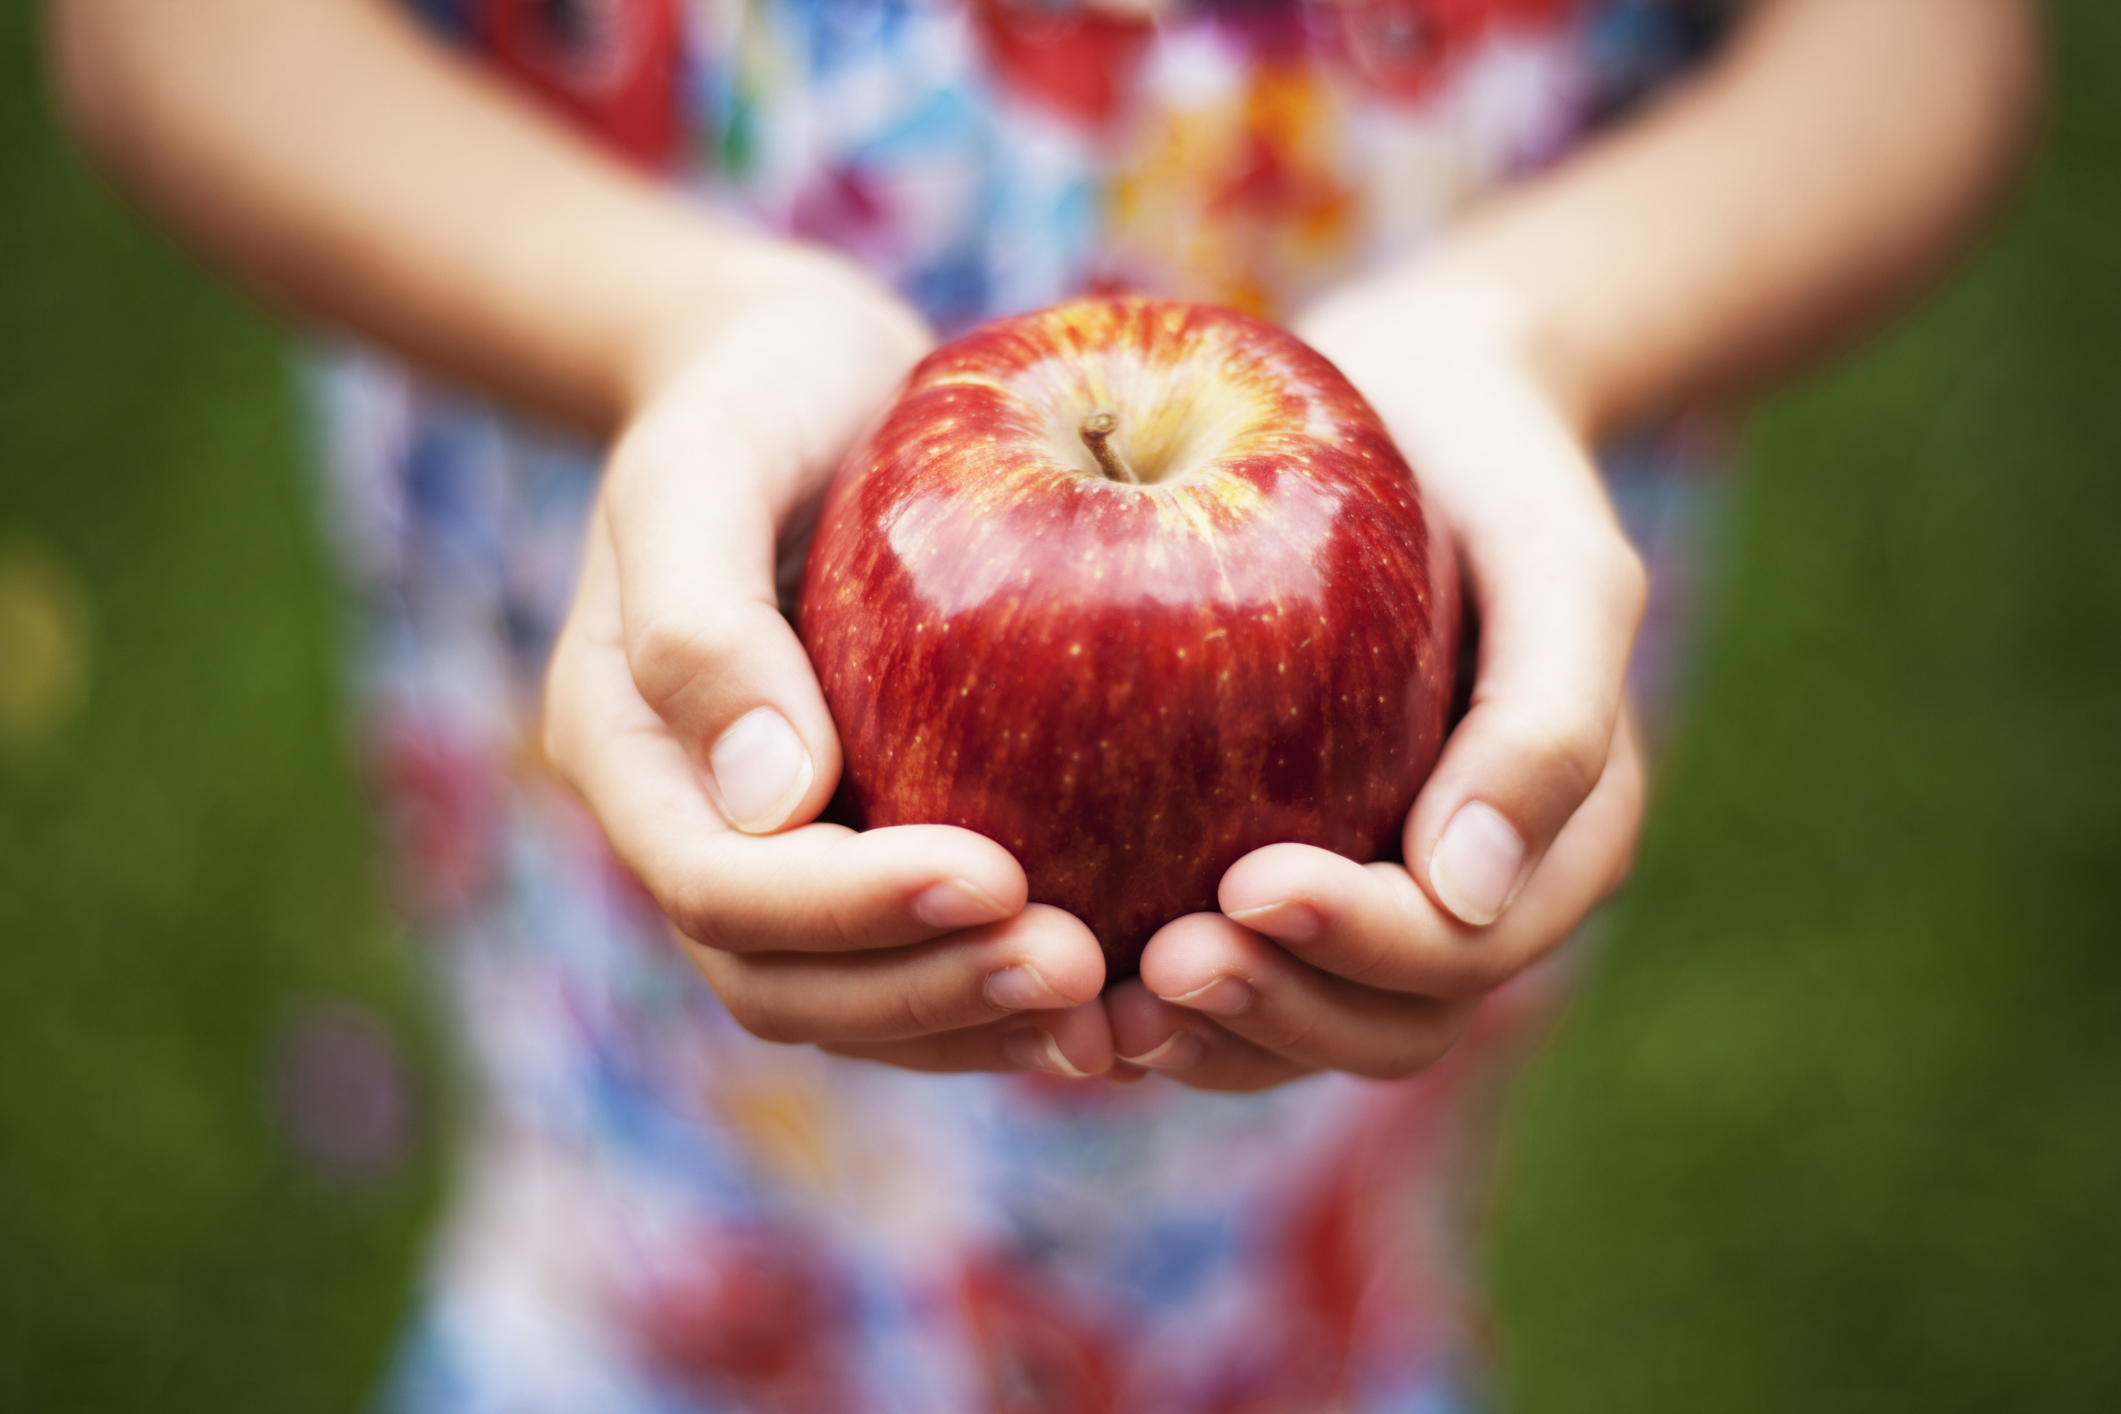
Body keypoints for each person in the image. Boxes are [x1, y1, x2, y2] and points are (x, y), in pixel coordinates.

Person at [51, 0, 2038, 1408]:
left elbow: (1918, 48)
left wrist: (1531, 329)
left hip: (1347, 860)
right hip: (659, 900)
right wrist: (683, 324)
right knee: (650, 1239)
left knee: (1304, 1205)